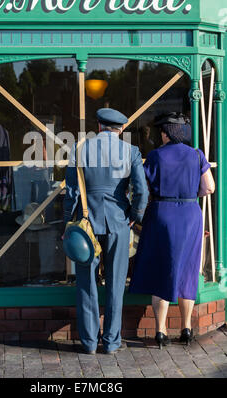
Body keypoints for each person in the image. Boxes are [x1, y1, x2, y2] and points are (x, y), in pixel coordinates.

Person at [63, 108, 148, 354]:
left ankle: (89, 342)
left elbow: (71, 193)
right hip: (118, 223)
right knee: (115, 285)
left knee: (86, 285)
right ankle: (111, 342)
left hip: (86, 224)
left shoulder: (78, 149)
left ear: (99, 126)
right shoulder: (130, 151)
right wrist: (134, 216)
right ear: (120, 129)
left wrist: (68, 223)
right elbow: (141, 191)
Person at [129, 112, 215, 349]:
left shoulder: (155, 156)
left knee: (162, 270)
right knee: (188, 270)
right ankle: (186, 328)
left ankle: (160, 331)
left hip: (162, 214)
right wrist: (188, 196)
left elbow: (143, 190)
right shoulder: (197, 155)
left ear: (166, 133)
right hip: (190, 214)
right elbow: (209, 187)